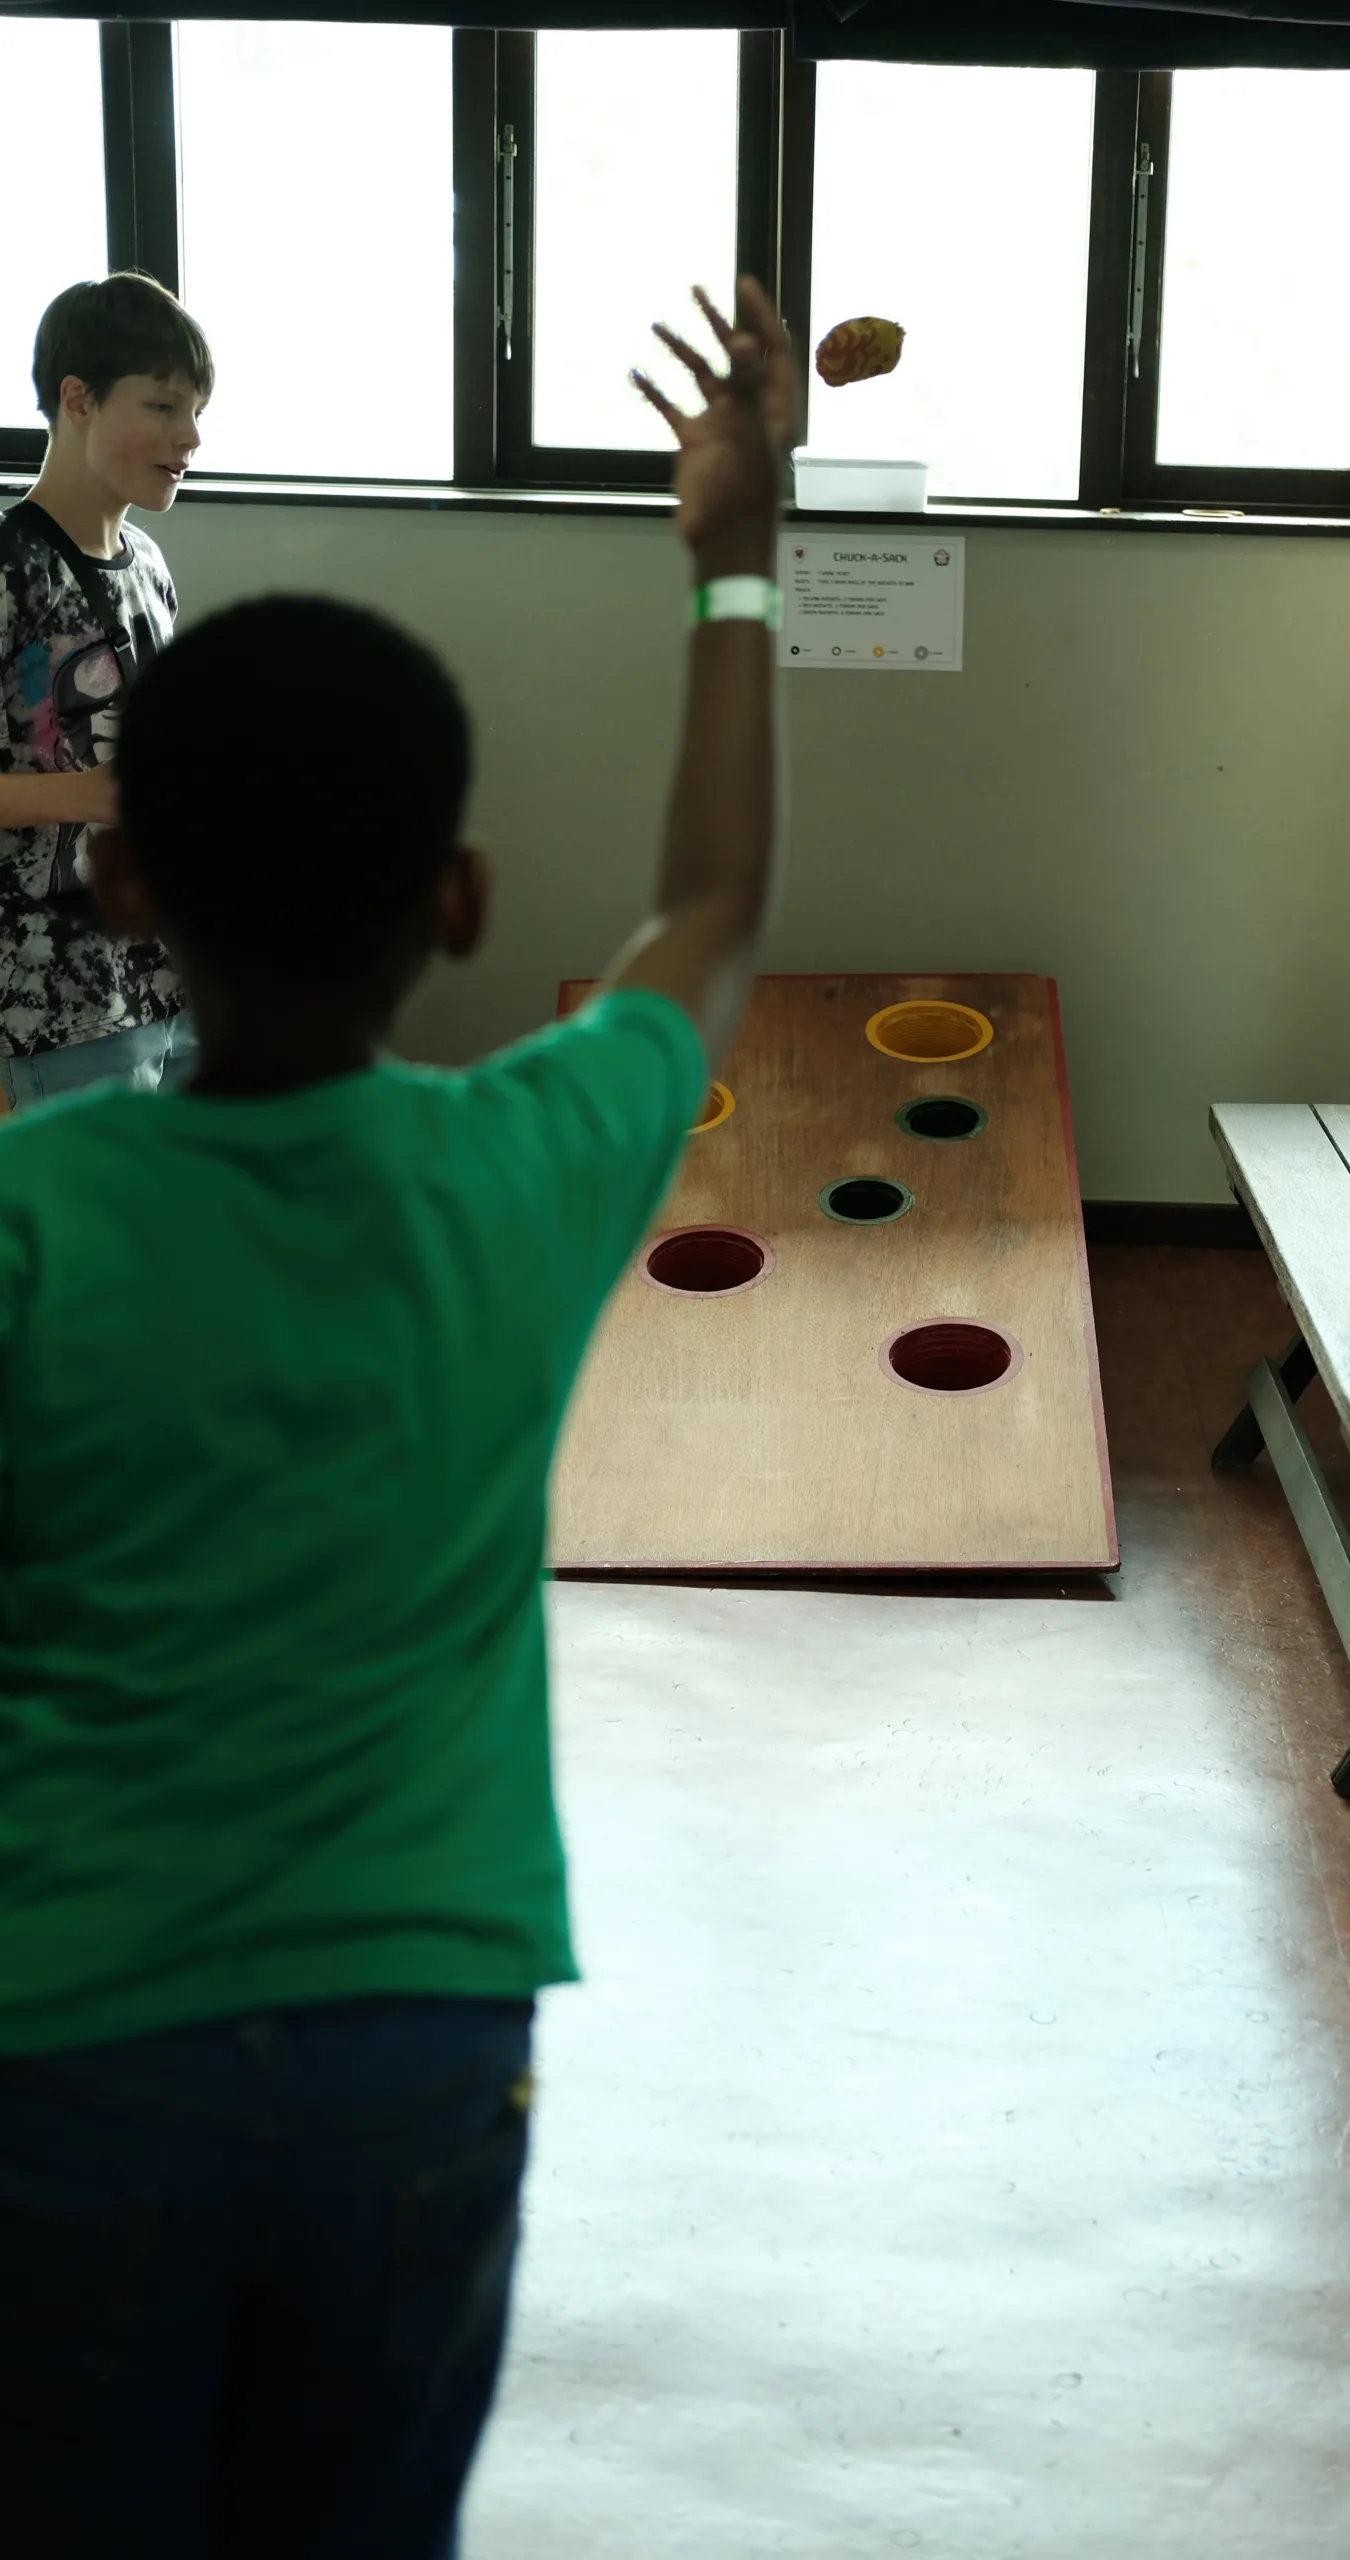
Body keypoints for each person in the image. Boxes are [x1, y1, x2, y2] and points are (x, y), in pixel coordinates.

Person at [0, 275, 794, 2558]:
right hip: (420, 2041)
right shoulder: (526, 1164)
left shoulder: (33, 1217)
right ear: (456, 903)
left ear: (128, 881)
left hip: (69, 2041)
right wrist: (732, 562)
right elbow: (713, 905)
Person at [0, 271, 211, 1106]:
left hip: (168, 973)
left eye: (197, 411)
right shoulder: (9, 568)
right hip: (55, 998)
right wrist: (87, 793)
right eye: (163, 407)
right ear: (77, 399)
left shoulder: (148, 565)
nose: (191, 437)